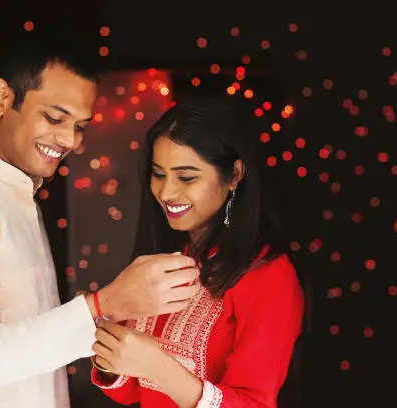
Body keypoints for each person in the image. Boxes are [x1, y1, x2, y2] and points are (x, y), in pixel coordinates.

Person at [0, 34, 200, 408]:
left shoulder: (13, 193)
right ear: (1, 99)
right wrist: (102, 304)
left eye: (80, 125)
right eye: (54, 117)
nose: (69, 140)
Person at [90, 96, 305, 407]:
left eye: (187, 177)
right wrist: (107, 339)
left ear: (234, 175)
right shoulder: (165, 259)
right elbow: (128, 391)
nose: (166, 192)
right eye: (158, 173)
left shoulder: (268, 275)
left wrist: (159, 368)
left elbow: (255, 403)